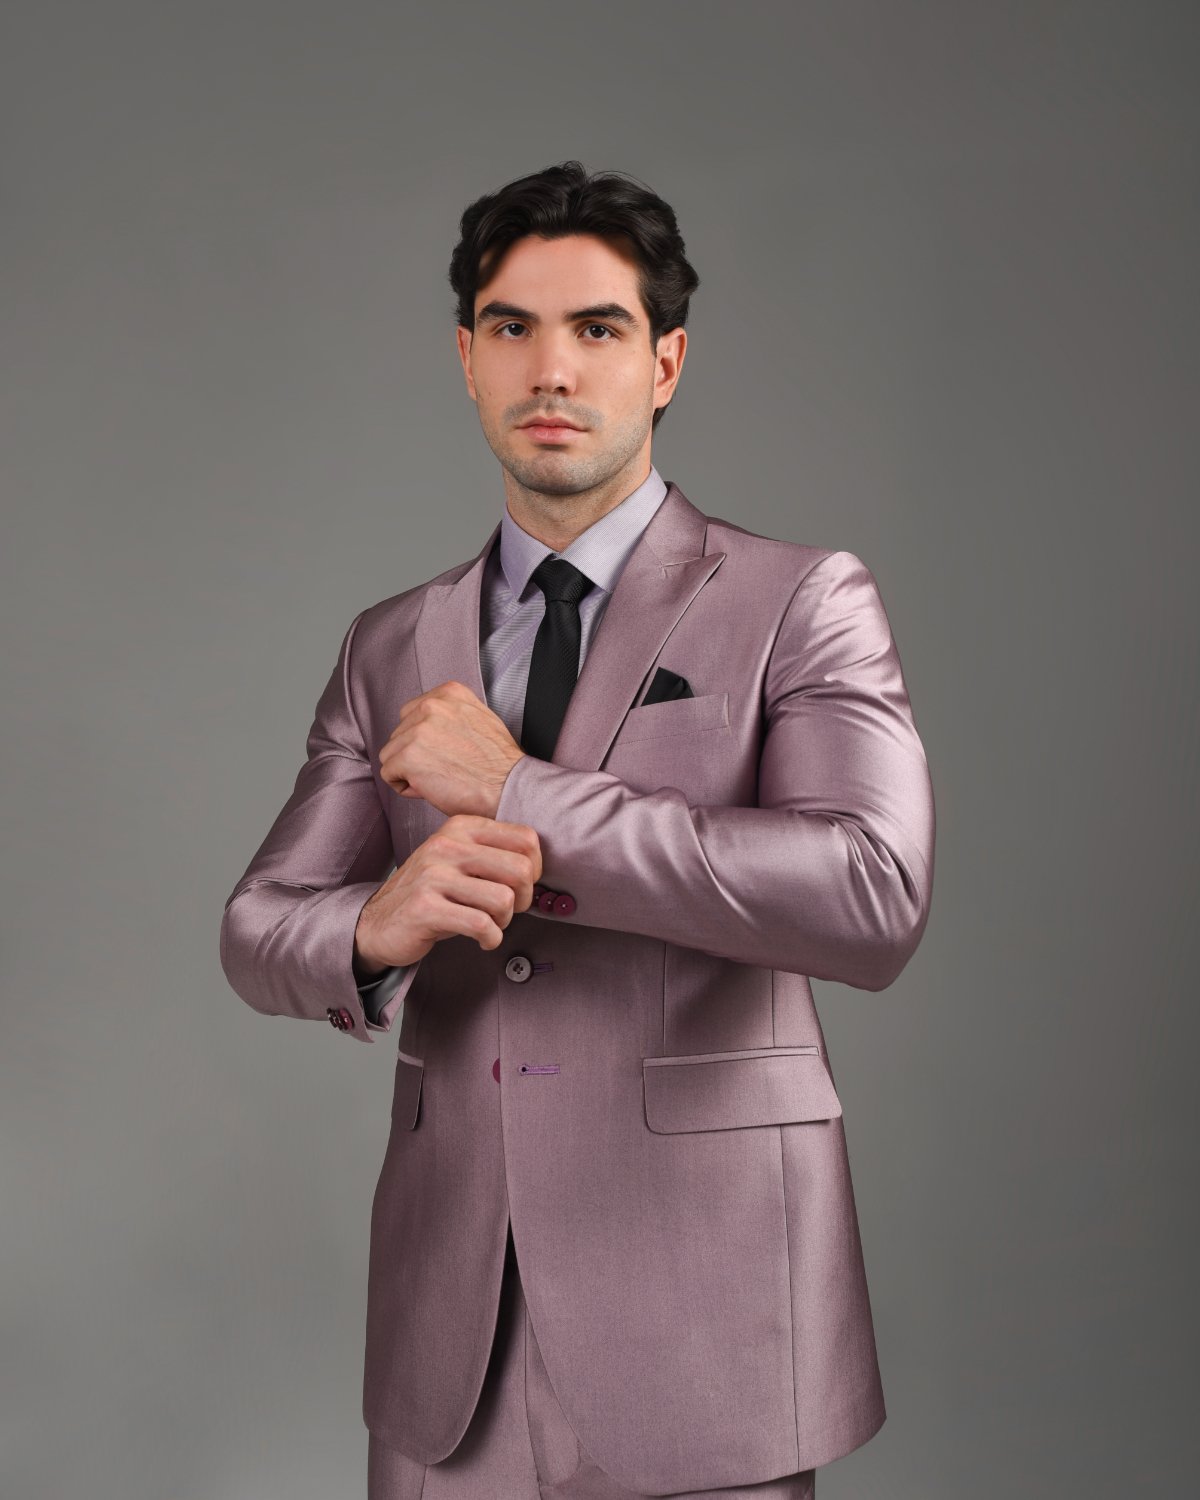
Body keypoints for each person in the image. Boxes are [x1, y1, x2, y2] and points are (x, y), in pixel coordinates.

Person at [220, 160, 936, 1500]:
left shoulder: (800, 600)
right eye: (513, 327)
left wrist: (521, 795)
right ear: (467, 359)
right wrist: (372, 926)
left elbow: (870, 893)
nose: (551, 369)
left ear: (665, 362)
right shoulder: (392, 641)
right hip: (454, 1335)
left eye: (597, 328)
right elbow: (258, 927)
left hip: (709, 1315)